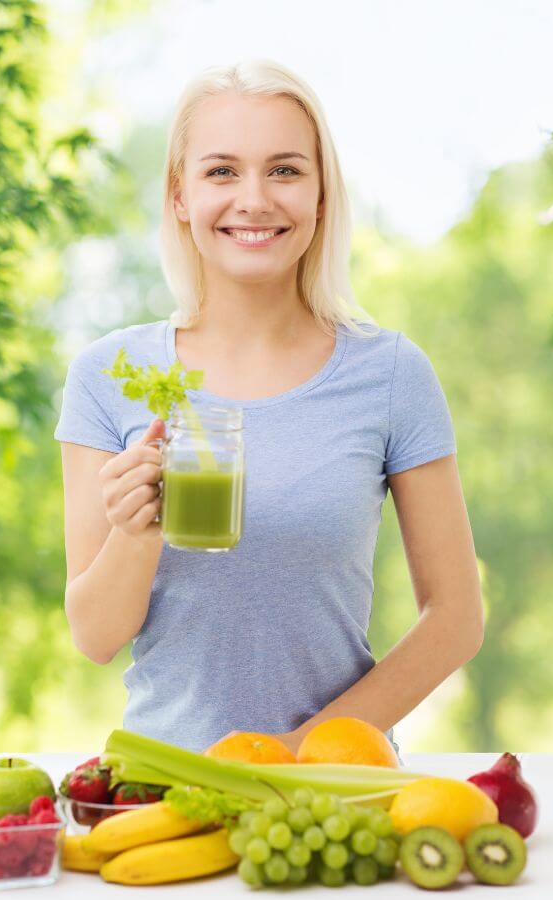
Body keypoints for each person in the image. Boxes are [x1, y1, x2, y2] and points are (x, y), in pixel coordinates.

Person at [54, 59, 484, 759]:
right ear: (180, 197)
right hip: (163, 788)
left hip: (335, 786)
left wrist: (300, 751)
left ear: (321, 197)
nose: (253, 199)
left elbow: (457, 618)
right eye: (222, 171)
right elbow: (95, 638)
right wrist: (136, 531)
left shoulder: (390, 374)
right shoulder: (107, 378)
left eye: (284, 170)